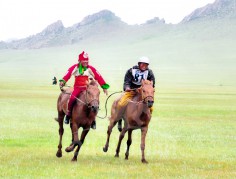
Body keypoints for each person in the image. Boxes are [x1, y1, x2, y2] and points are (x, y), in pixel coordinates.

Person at [59, 51, 109, 129]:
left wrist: (104, 87)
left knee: (94, 101)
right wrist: (63, 81)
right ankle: (68, 115)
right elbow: (68, 74)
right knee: (72, 98)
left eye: (87, 60)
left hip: (86, 89)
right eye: (84, 60)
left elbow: (98, 76)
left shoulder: (90, 68)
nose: (86, 62)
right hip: (77, 88)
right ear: (79, 61)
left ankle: (93, 120)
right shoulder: (75, 67)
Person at [117, 56, 155, 131]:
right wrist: (127, 88)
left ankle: (146, 120)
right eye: (142, 64)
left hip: (143, 94)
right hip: (131, 91)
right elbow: (126, 82)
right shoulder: (131, 71)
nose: (144, 66)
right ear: (139, 64)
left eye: (146, 65)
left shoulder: (149, 73)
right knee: (121, 104)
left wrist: (146, 91)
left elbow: (152, 85)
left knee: (151, 108)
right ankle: (119, 119)